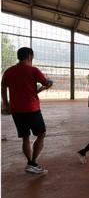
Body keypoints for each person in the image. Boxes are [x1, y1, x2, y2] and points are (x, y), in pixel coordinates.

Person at [2, 45, 53, 176]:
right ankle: (33, 162)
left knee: (25, 137)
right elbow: (46, 83)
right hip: (32, 109)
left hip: (16, 110)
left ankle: (30, 162)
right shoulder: (33, 70)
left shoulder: (9, 71)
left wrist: (6, 105)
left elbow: (3, 87)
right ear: (30, 56)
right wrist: (48, 84)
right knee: (41, 134)